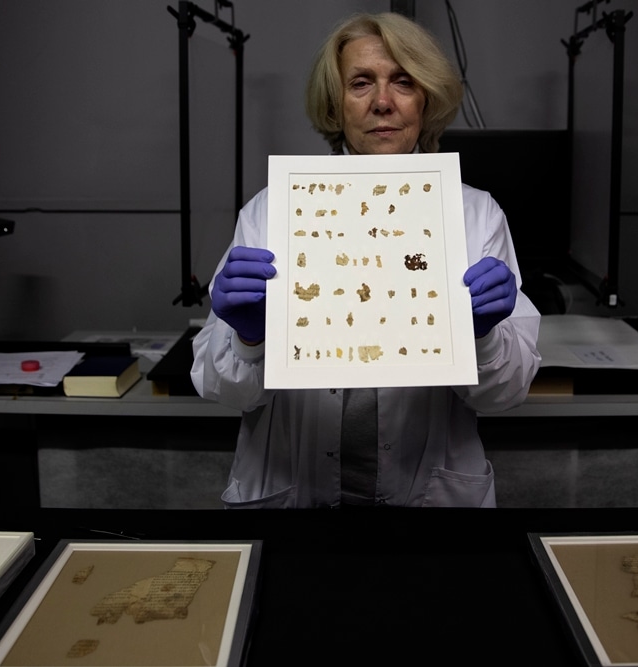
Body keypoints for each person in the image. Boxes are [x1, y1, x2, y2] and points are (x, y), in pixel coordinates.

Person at [190, 12, 540, 508]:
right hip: (294, 494)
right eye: (361, 83)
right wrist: (248, 338)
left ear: (427, 98)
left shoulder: (474, 214)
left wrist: (483, 338)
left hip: (429, 500)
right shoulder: (274, 211)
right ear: (336, 105)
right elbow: (222, 390)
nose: (382, 102)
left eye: (403, 81)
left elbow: (506, 394)